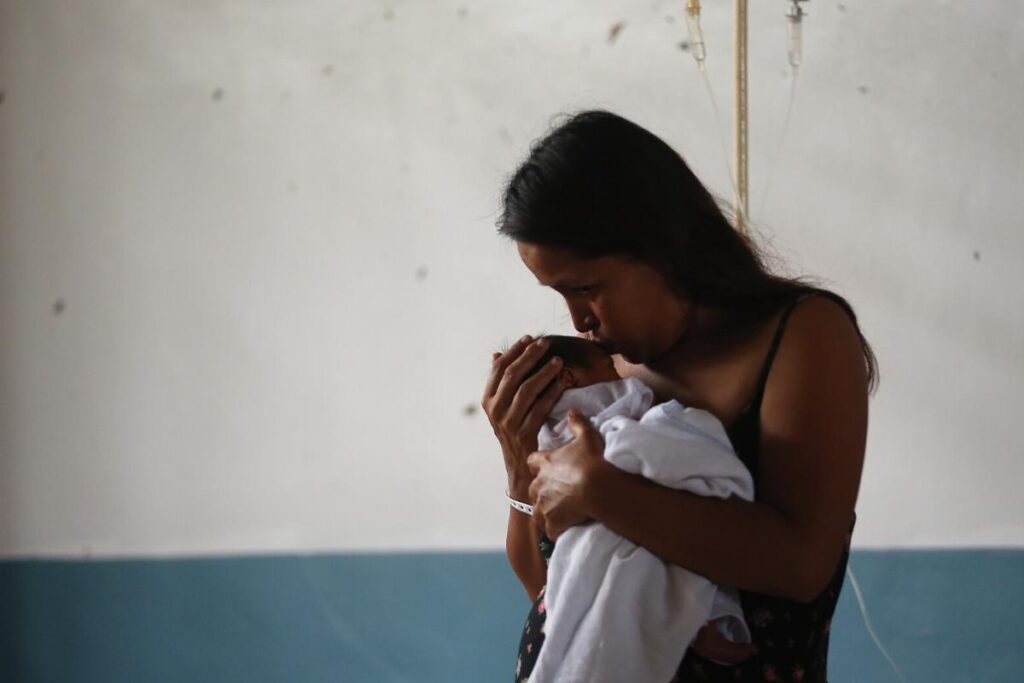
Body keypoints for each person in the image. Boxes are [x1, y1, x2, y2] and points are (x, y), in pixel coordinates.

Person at [480, 110, 876, 683]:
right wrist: (520, 467)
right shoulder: (602, 377)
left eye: (587, 288)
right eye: (560, 295)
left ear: (661, 247)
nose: (578, 320)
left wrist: (601, 489)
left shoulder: (799, 337)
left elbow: (799, 564)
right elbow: (548, 589)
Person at [513, 335, 754, 683]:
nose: (624, 378)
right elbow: (539, 580)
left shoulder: (551, 445)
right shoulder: (597, 417)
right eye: (609, 368)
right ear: (567, 379)